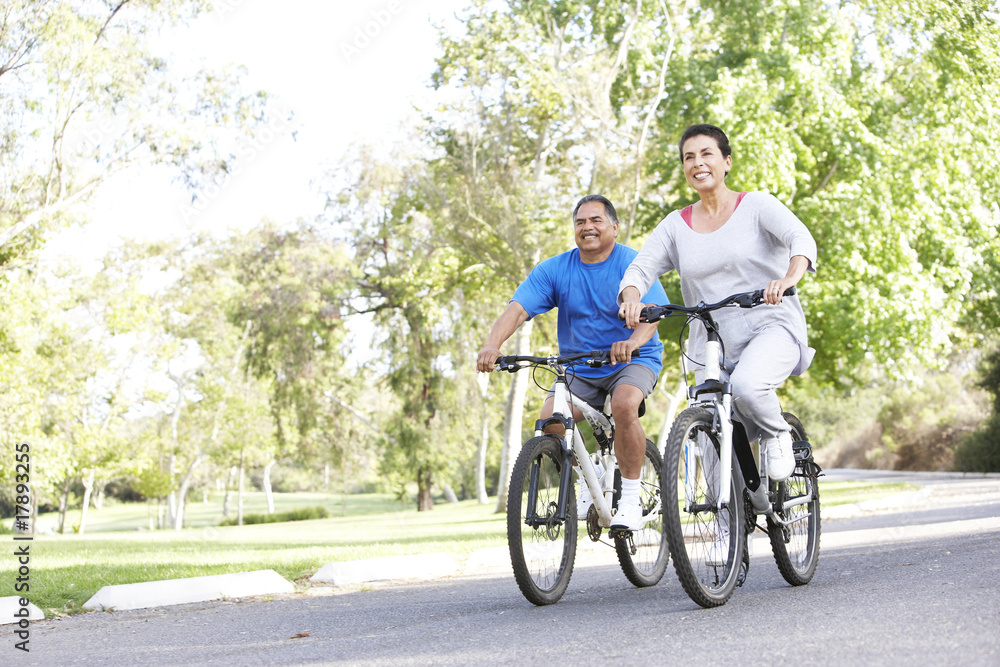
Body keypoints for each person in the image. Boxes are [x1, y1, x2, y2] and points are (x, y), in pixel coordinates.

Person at [618, 124, 817, 484]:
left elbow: (799, 238)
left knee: (748, 386)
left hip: (770, 325)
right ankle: (728, 533)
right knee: (709, 437)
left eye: (706, 154)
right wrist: (631, 298)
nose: (697, 163)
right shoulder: (675, 225)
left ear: (726, 162)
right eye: (688, 158)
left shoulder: (757, 205)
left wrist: (788, 279)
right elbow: (639, 270)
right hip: (708, 343)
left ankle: (777, 433)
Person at [477, 194, 668, 531]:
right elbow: (518, 309)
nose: (587, 227)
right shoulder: (556, 269)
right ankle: (589, 477)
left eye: (596, 220)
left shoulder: (633, 263)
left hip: (633, 359)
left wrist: (632, 342)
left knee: (624, 406)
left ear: (614, 226)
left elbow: (653, 315)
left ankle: (630, 500)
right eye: (580, 222)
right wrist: (493, 345)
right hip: (580, 365)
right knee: (551, 423)